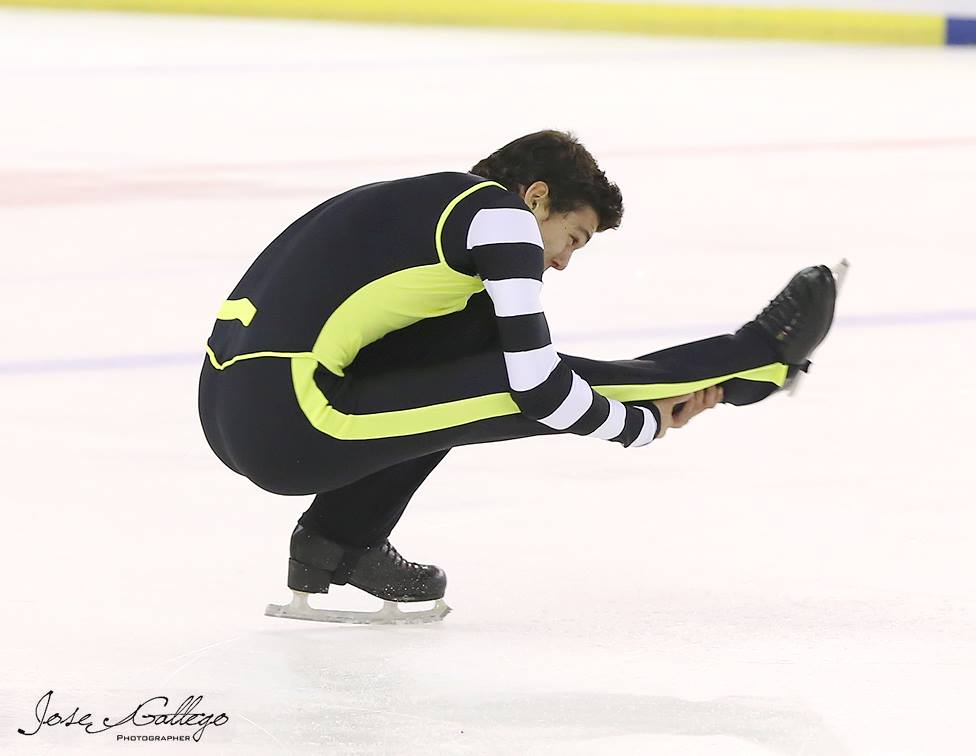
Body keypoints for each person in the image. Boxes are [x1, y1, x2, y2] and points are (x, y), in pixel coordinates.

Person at [198, 130, 842, 624]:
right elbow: (534, 387)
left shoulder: (427, 200)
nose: (561, 261)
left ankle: (340, 541)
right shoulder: (502, 218)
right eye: (573, 236)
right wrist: (639, 429)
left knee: (480, 331)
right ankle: (748, 362)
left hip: (230, 404)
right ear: (536, 196)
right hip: (292, 422)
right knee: (505, 373)